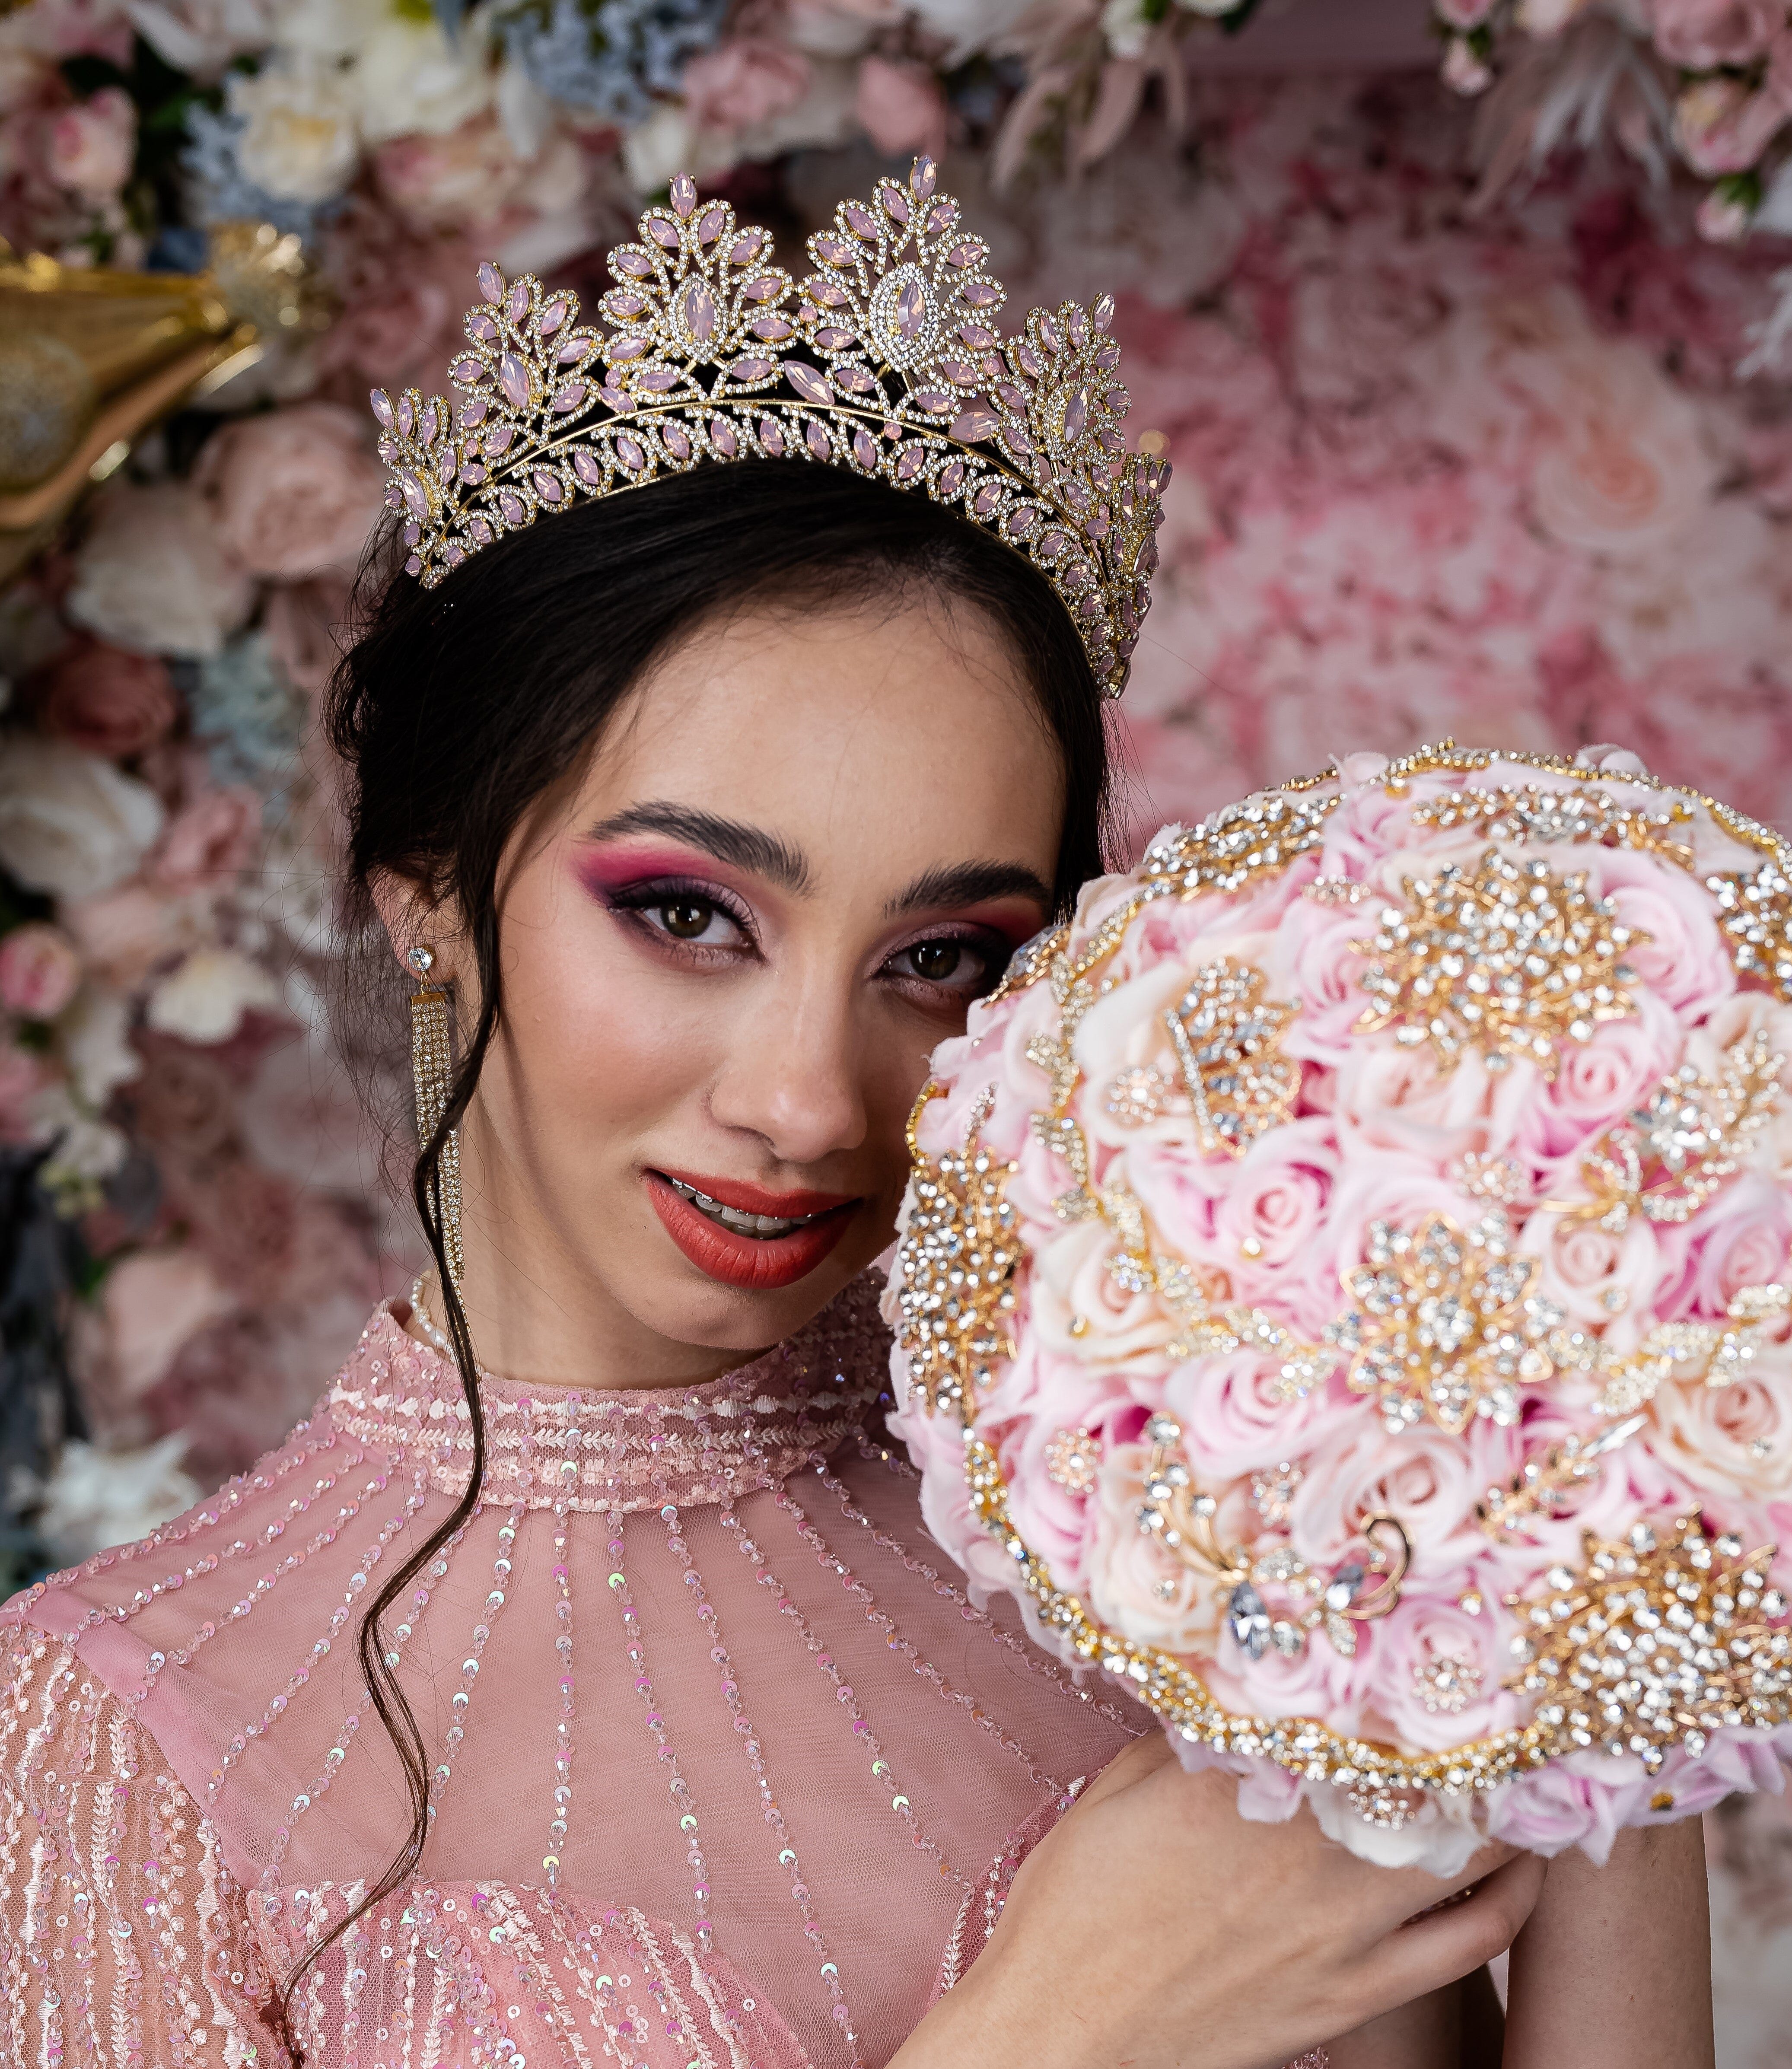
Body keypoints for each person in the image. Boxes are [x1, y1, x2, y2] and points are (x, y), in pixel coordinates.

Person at [0, 161, 1711, 2069]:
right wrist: (1057, 2034)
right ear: (426, 895)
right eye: (683, 915)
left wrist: (1617, 1514)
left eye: (941, 957)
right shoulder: (120, 1734)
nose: (810, 1100)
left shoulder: (1212, 1536)